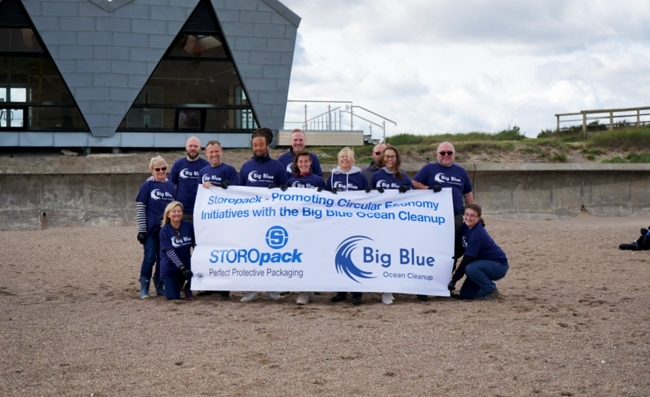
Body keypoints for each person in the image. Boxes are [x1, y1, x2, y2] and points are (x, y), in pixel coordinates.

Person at [239, 128, 288, 302]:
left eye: (261, 144)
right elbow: (239, 193)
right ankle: (250, 290)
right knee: (250, 255)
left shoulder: (278, 167)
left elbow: (286, 192)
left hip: (272, 220)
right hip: (251, 220)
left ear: (267, 146)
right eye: (255, 145)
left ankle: (272, 290)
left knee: (272, 255)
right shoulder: (246, 167)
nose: (258, 147)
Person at [370, 145, 413, 305]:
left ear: (397, 159)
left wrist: (407, 191)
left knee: (394, 255)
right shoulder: (376, 175)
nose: (389, 159)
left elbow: (416, 198)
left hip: (398, 223)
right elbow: (369, 197)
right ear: (383, 158)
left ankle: (393, 285)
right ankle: (385, 290)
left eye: (392, 156)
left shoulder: (404, 177)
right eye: (387, 156)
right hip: (381, 223)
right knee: (382, 255)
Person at [198, 139, 238, 301]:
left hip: (225, 218)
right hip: (208, 219)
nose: (214, 154)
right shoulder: (202, 171)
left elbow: (235, 192)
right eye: (211, 152)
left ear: (221, 152)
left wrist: (215, 186)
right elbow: (200, 195)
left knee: (225, 253)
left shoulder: (229, 170)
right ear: (206, 154)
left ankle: (225, 289)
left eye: (216, 151)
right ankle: (210, 286)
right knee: (209, 252)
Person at [329, 148, 368, 306]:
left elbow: (367, 197)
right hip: (338, 222)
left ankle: (357, 292)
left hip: (355, 221)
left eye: (348, 157)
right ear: (338, 160)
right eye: (342, 157)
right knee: (340, 254)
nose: (345, 159)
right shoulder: (332, 176)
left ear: (353, 160)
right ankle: (342, 290)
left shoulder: (360, 176)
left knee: (355, 254)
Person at [287, 151, 326, 304]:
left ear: (311, 163)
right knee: (299, 257)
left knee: (312, 257)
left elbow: (326, 203)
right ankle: (303, 291)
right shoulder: (290, 182)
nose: (303, 164)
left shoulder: (318, 181)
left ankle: (308, 288)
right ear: (296, 164)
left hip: (314, 225)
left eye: (306, 161)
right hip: (297, 225)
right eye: (300, 162)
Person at [448, 203, 508, 300]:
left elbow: (466, 259)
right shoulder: (464, 227)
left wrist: (454, 280)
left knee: (470, 268)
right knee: (466, 294)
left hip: (498, 266)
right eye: (466, 214)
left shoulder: (477, 234)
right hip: (480, 265)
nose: (468, 218)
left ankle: (491, 290)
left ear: (478, 217)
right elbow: (459, 248)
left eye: (472, 215)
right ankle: (484, 289)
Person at [136, 156, 176, 299]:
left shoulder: (171, 186)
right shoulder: (147, 186)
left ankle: (160, 286)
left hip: (165, 231)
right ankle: (144, 287)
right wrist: (141, 230)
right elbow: (141, 208)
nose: (161, 171)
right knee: (149, 258)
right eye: (157, 169)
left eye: (163, 168)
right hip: (151, 230)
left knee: (163, 259)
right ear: (152, 170)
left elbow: (174, 210)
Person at [412, 141, 474, 233]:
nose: (446, 155)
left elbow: (468, 194)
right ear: (437, 154)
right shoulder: (428, 168)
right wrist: (428, 189)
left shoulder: (461, 171)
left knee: (455, 245)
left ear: (454, 154)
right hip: (433, 217)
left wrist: (472, 214)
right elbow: (414, 183)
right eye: (442, 153)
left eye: (449, 152)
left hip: (455, 217)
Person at [159, 201, 195, 300]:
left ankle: (188, 288)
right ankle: (177, 283)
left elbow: (195, 245)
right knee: (173, 298)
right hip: (170, 266)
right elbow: (169, 252)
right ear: (168, 214)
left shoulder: (188, 226)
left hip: (187, 262)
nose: (177, 214)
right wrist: (182, 268)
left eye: (179, 211)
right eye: (174, 211)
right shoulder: (164, 230)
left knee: (198, 269)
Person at [170, 136, 209, 222]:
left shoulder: (206, 166)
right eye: (190, 146)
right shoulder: (178, 165)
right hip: (181, 211)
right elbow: (170, 186)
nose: (193, 148)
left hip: (200, 210)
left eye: (195, 146)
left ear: (200, 148)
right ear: (186, 147)